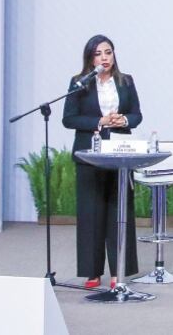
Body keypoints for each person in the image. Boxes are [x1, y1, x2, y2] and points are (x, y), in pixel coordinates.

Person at [62, 34, 143, 289]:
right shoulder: (79, 83)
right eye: (98, 54)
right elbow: (69, 119)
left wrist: (124, 121)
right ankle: (92, 272)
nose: (104, 58)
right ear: (90, 57)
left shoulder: (125, 81)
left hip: (119, 152)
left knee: (119, 211)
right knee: (91, 212)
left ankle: (119, 271)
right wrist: (100, 121)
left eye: (108, 52)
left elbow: (137, 114)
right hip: (89, 154)